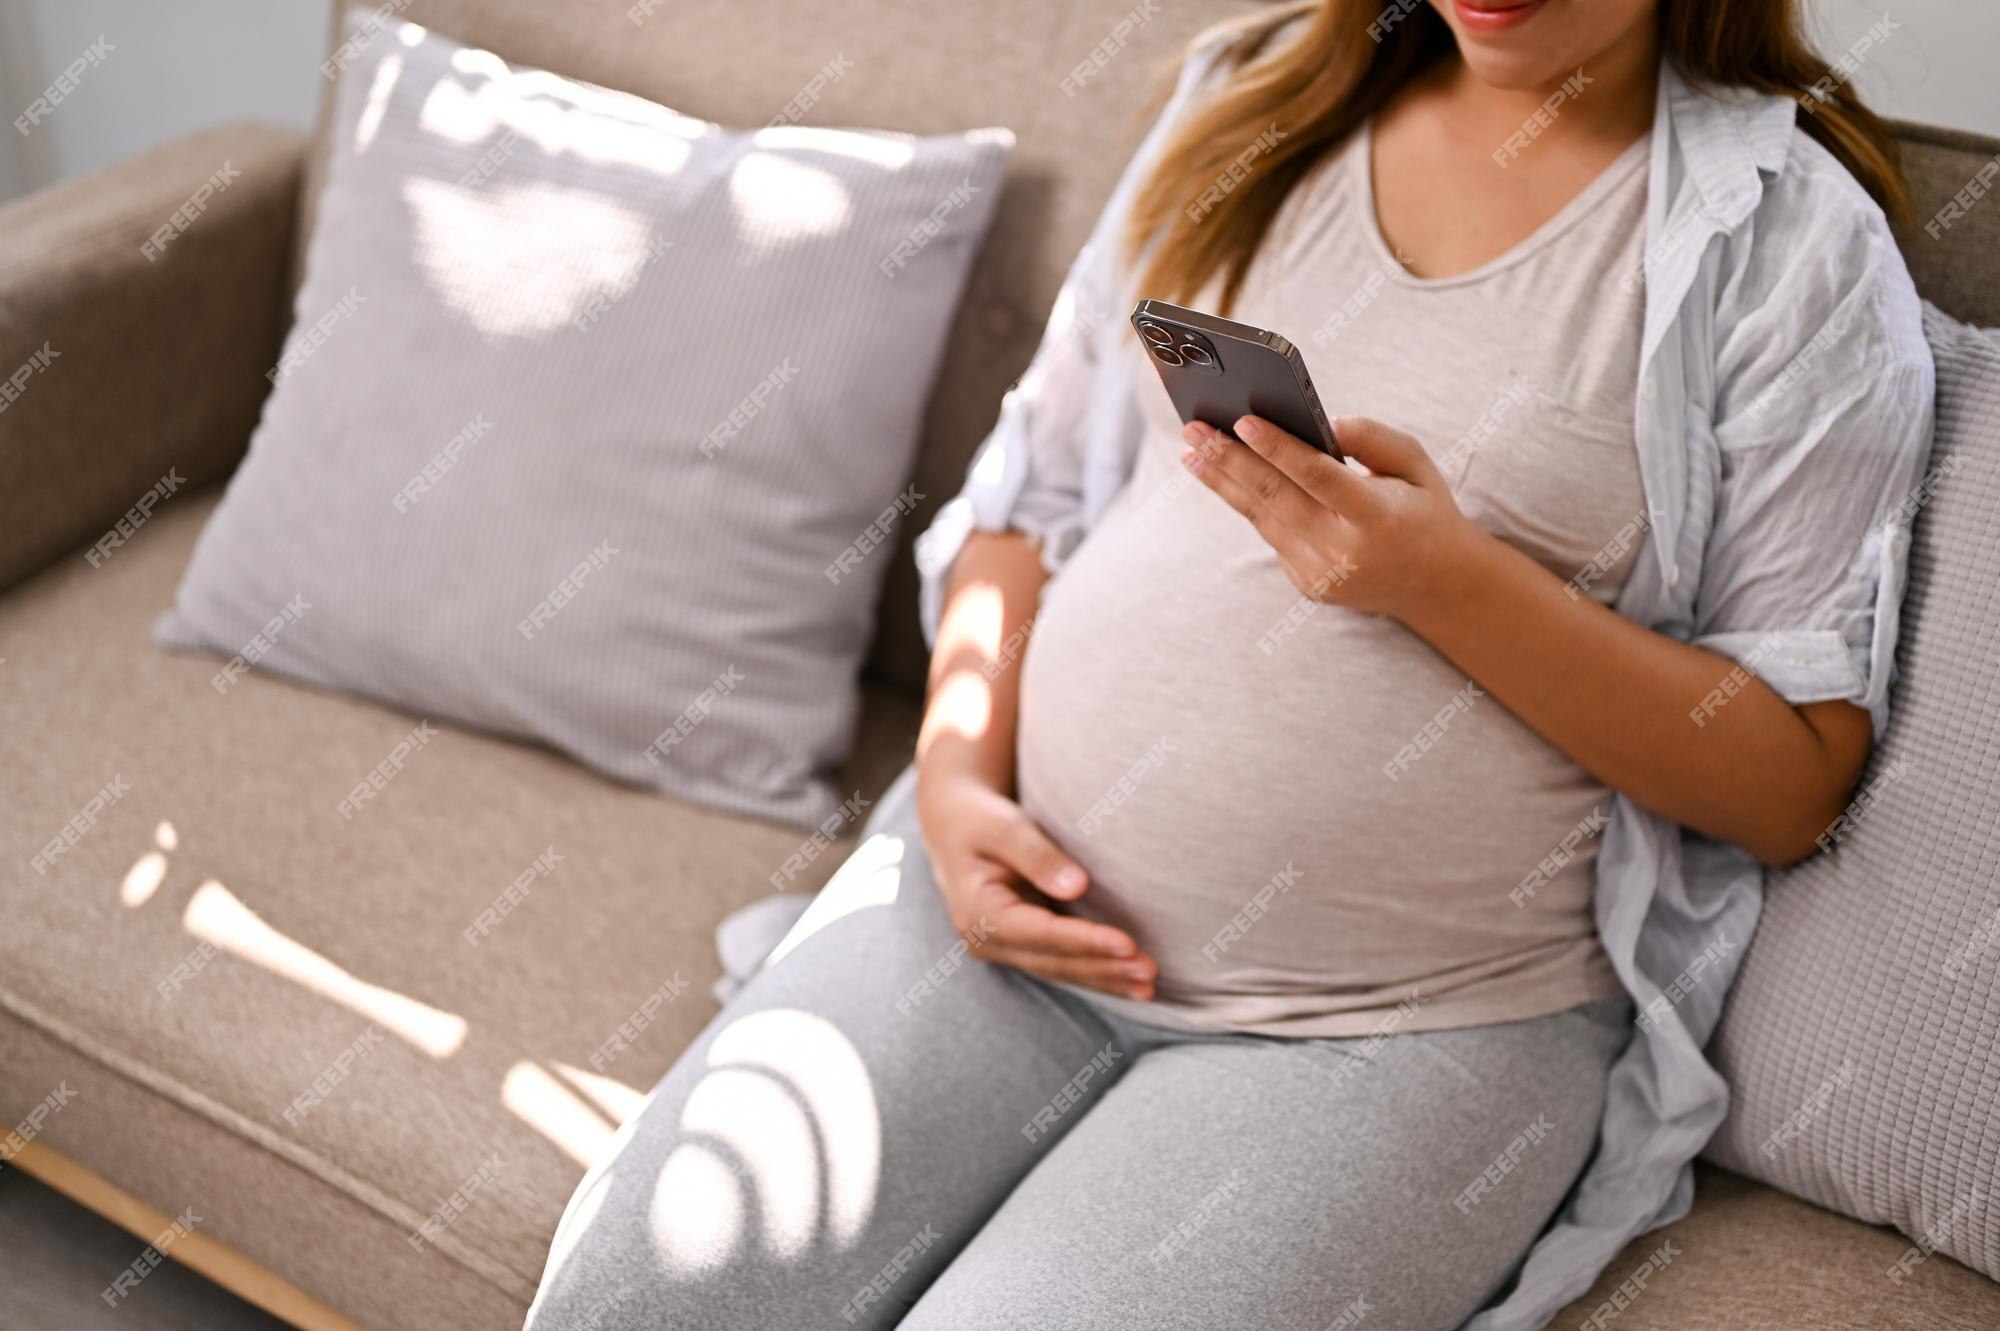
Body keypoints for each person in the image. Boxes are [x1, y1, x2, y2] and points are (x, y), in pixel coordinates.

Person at [526, 1, 1933, 1327]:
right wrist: (952, 785)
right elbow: (1032, 502)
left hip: (1394, 1033)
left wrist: (1449, 585)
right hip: (1000, 918)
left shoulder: (1783, 248)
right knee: (628, 1301)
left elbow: (1788, 780)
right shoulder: (1257, 101)